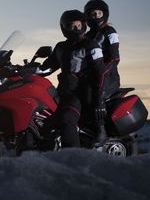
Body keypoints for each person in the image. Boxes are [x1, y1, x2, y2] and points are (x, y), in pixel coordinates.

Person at [39, 10, 108, 148]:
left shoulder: (91, 45)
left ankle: (73, 158)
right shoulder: (61, 47)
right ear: (64, 28)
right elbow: (47, 68)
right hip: (64, 92)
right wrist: (26, 70)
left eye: (78, 25)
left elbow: (101, 72)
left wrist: (99, 99)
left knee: (67, 119)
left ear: (83, 25)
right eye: (71, 26)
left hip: (80, 94)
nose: (76, 28)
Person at [84, 0, 120, 97]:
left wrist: (101, 72)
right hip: (89, 77)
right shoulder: (87, 35)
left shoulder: (110, 31)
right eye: (93, 14)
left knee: (89, 97)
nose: (96, 16)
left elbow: (115, 58)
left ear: (104, 14)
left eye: (99, 13)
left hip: (108, 80)